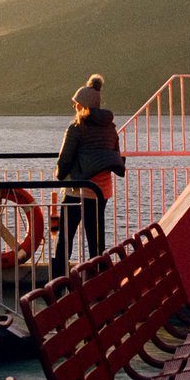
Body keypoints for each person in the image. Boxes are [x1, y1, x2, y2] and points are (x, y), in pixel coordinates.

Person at [51, 74, 125, 277]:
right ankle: (98, 285)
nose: (74, 107)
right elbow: (114, 153)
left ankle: (56, 285)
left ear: (84, 106)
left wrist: (59, 174)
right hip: (102, 191)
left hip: (78, 191)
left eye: (77, 104)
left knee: (65, 239)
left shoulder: (77, 128)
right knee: (96, 240)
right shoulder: (110, 128)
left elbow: (64, 161)